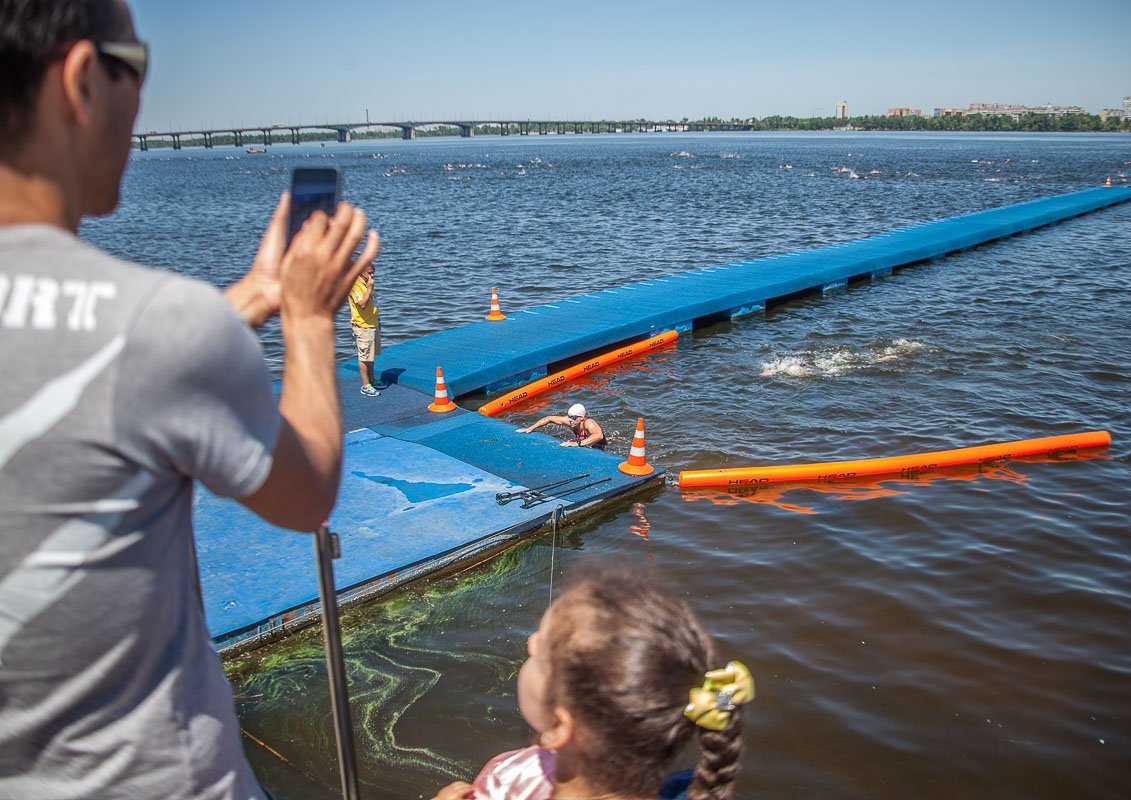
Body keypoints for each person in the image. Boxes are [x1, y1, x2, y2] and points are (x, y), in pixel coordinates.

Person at [0, 2, 379, 798]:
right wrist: (308, 319)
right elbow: (306, 491)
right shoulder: (159, 325)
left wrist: (248, 296)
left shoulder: (159, 333)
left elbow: (91, 364)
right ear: (80, 79)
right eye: (135, 66)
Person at [434, 563, 754, 800]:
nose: (530, 642)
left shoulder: (507, 783)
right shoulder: (695, 788)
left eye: (541, 649)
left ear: (560, 727)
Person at [348, 259, 384, 396]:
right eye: (369, 273)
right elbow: (362, 304)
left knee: (371, 354)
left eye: (373, 273)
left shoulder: (366, 281)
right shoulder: (355, 285)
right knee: (364, 356)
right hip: (363, 326)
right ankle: (365, 385)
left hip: (373, 324)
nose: (372, 276)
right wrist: (369, 288)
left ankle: (372, 379)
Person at [517, 402, 607, 449]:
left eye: (574, 418)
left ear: (581, 418)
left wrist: (576, 443)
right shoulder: (571, 421)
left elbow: (598, 436)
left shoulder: (589, 423)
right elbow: (549, 418)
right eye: (569, 417)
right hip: (585, 442)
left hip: (599, 446)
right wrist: (531, 428)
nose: (570, 420)